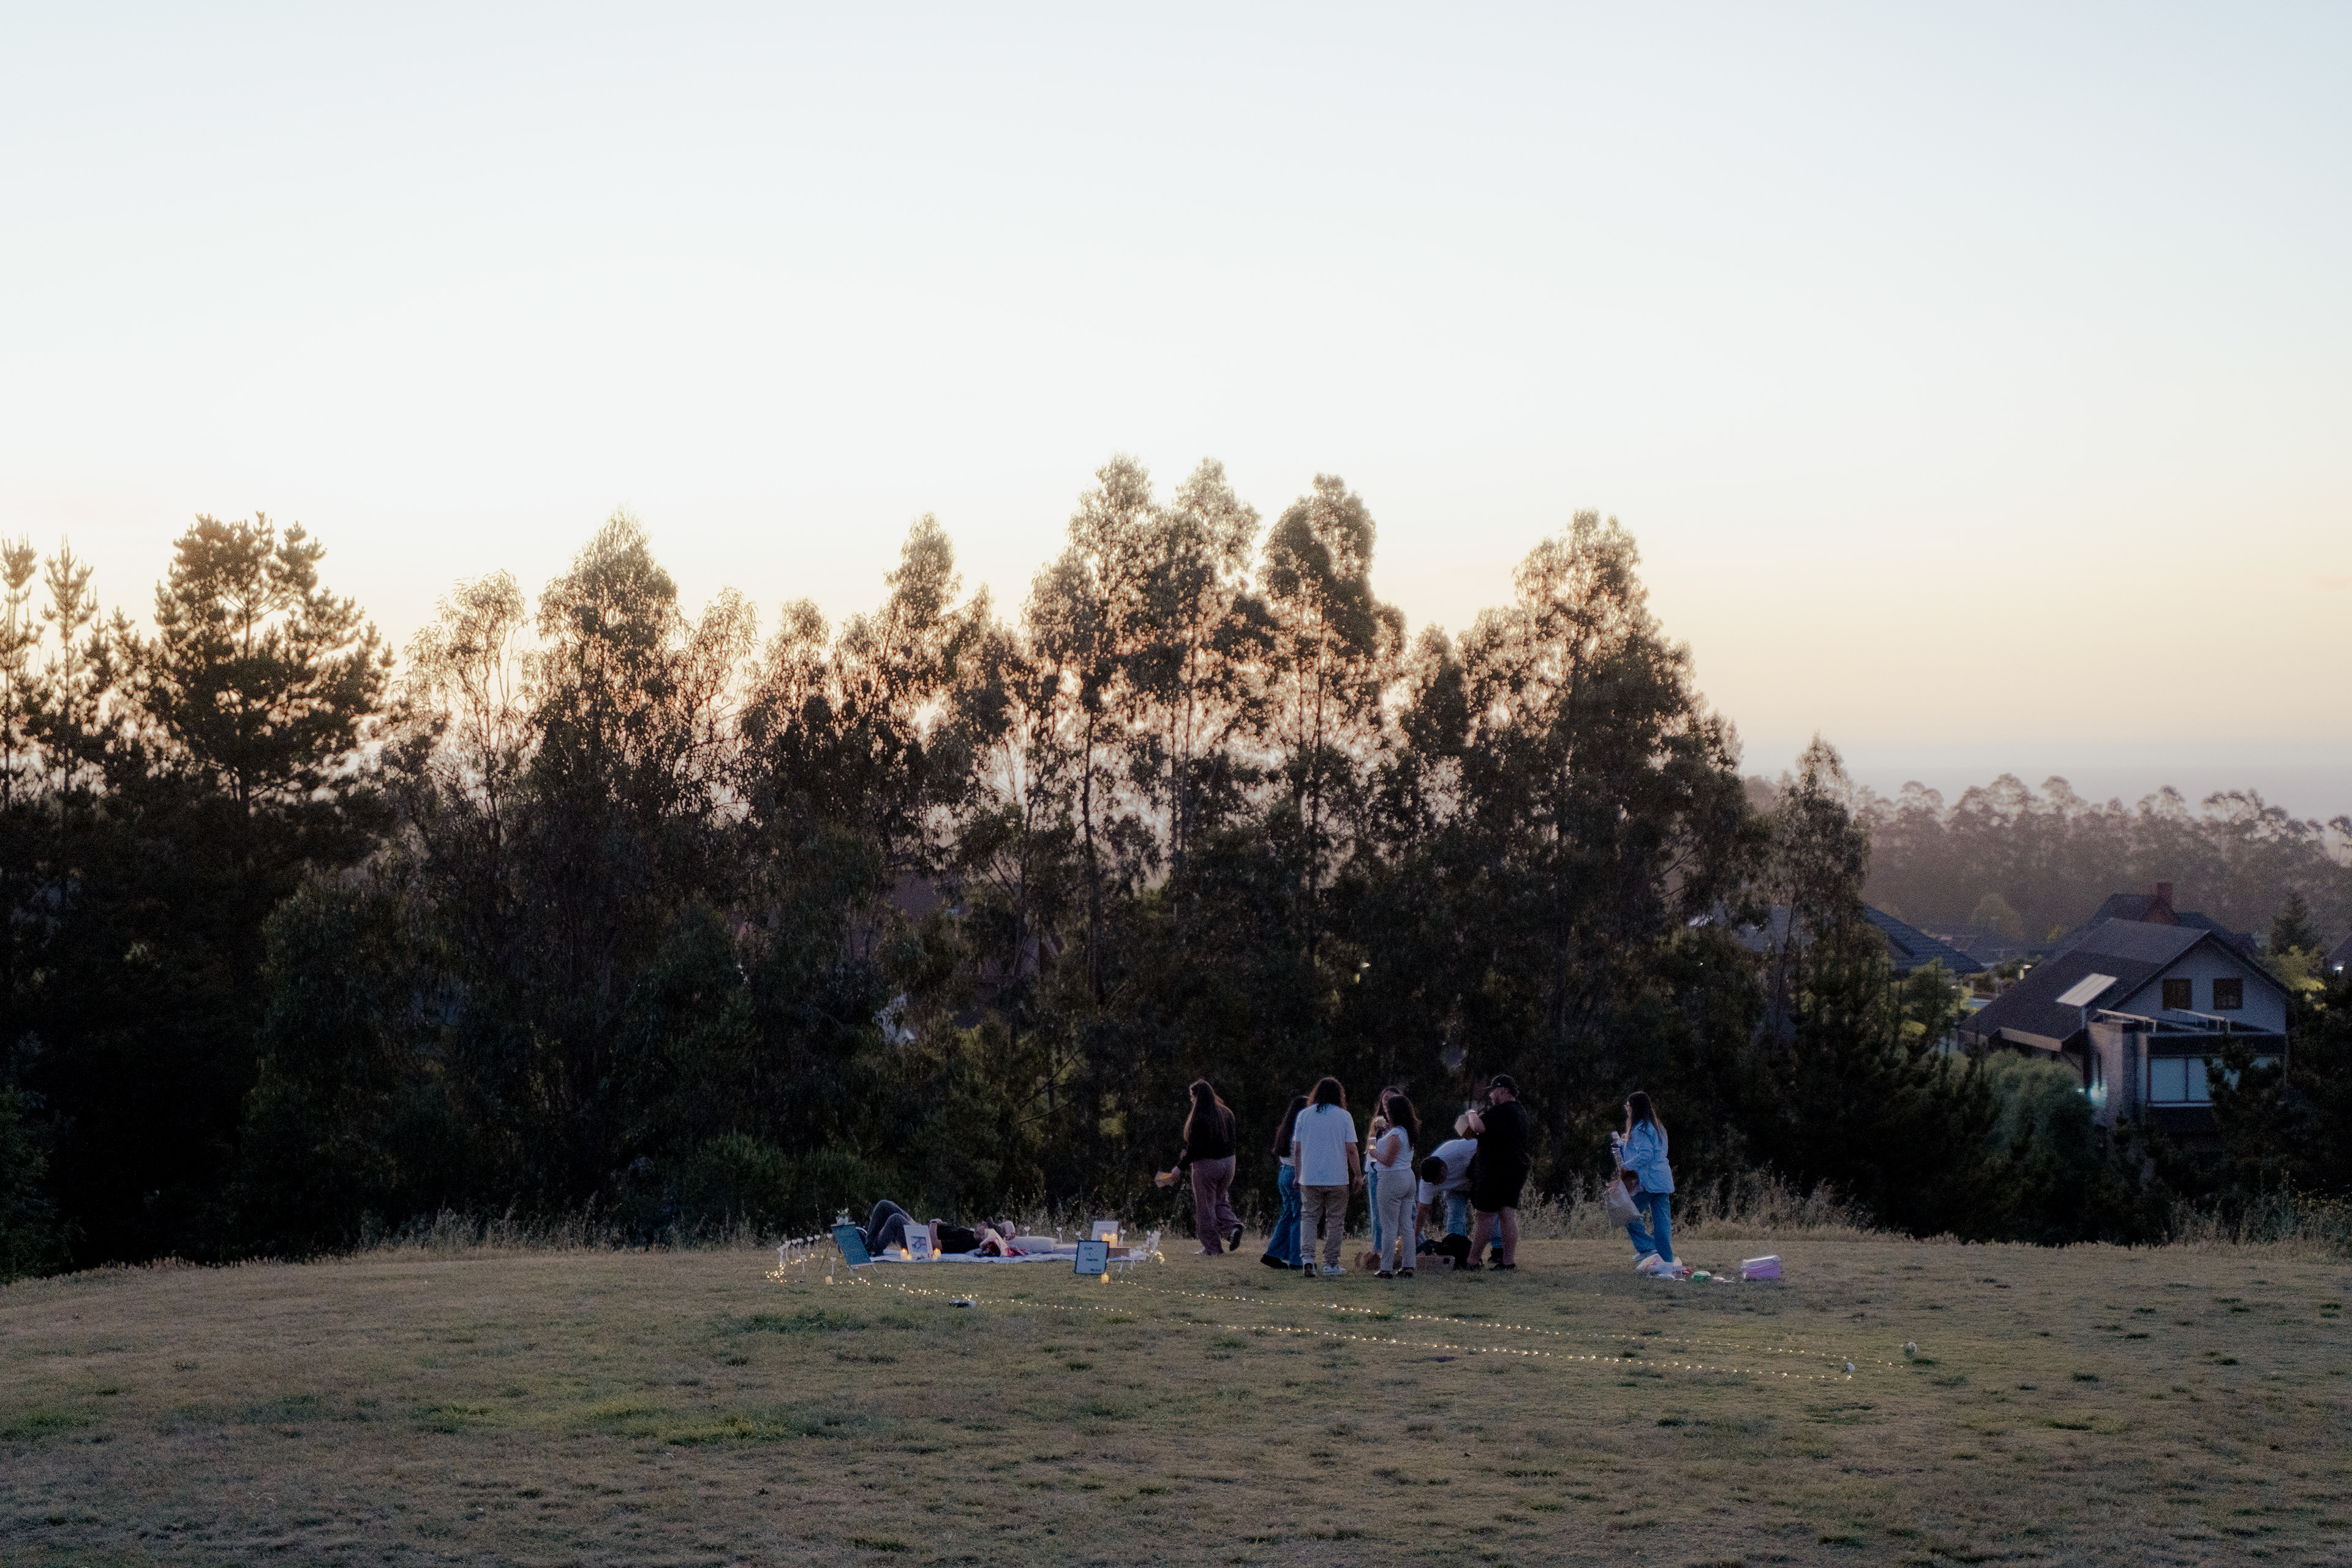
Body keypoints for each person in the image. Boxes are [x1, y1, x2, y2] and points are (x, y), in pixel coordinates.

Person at [1160, 1079, 1242, 1255]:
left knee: (1206, 1207)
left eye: (1192, 1097)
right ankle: (1233, 1228)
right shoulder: (1227, 1113)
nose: (1191, 1101)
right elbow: (1233, 1141)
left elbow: (1195, 1149)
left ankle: (1212, 1248)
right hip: (1229, 1164)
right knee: (1220, 1200)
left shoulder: (1199, 1118)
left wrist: (1179, 1167)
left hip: (1207, 1166)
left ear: (1197, 1097)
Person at [1289, 1076, 1361, 1276]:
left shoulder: (1304, 1115)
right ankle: (1331, 1264)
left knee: (1309, 1218)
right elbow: (1351, 1149)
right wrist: (1357, 1174)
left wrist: (1297, 1175)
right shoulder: (1344, 1116)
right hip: (1338, 1178)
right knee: (1335, 1221)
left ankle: (1308, 1259)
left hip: (1310, 1177)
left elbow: (1297, 1149)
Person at [1461, 1073, 1531, 1270]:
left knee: (1484, 1216)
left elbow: (1478, 1126)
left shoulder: (1502, 1111)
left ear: (1502, 1090)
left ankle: (1472, 1261)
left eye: (1493, 1091)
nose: (1491, 1096)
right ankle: (1508, 1262)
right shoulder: (1520, 1111)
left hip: (1495, 1172)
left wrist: (1471, 1113)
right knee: (1507, 1214)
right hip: (1515, 1170)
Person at [1611, 1090, 1676, 1272]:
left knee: (1628, 1213)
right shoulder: (1657, 1126)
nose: (1627, 1109)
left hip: (1650, 1181)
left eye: (1628, 1106)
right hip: (1662, 1180)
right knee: (1662, 1223)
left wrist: (1626, 1166)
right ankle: (1666, 1261)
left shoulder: (1640, 1129)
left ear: (1634, 1108)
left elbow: (1646, 1154)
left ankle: (1648, 1248)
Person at [1370, 1091, 1421, 1277]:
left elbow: (1388, 1160)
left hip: (1392, 1179)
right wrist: (1374, 1133)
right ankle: (1409, 1265)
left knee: (1389, 1226)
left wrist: (1374, 1153)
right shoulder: (1408, 1132)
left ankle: (1386, 1267)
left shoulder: (1395, 1134)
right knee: (1406, 1225)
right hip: (1408, 1177)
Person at [1261, 1093, 1310, 1270]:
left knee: (1288, 1215)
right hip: (1295, 1173)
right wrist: (1300, 1176)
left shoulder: (1285, 1129)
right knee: (1299, 1217)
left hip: (1284, 1172)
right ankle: (1297, 1260)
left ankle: (1273, 1254)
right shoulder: (1300, 1130)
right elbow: (1299, 1153)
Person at [1415, 1123, 1478, 1242]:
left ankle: (1498, 1247)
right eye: (1434, 1182)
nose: (1437, 1184)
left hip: (1478, 1181)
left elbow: (1484, 1144)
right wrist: (1416, 1235)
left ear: (1443, 1166)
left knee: (1489, 1214)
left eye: (1439, 1179)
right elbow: (1423, 1210)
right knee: (1455, 1218)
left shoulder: (1459, 1150)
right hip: (1455, 1190)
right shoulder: (1427, 1183)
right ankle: (1457, 1247)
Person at [1363, 1087, 1398, 1265]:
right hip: (1375, 1171)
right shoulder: (1378, 1122)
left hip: (1393, 1171)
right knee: (1377, 1214)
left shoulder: (1401, 1124)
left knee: (1402, 1212)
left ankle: (1408, 1248)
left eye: (1391, 1099)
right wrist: (1374, 1133)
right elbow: (1371, 1149)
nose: (1387, 1102)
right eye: (1384, 1099)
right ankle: (1378, 1251)